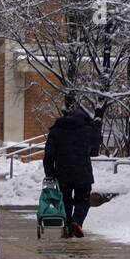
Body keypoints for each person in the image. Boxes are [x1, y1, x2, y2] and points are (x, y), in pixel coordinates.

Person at [43, 102, 101, 238]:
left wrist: (49, 175)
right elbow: (96, 144)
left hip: (62, 173)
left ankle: (68, 227)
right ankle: (77, 221)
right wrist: (95, 124)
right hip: (83, 172)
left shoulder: (56, 131)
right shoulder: (87, 130)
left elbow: (49, 155)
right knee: (83, 200)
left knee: (65, 201)